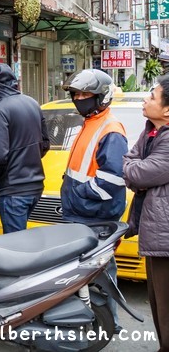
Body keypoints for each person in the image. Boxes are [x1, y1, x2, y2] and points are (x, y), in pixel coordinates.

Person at [60, 68, 128, 331]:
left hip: (95, 217)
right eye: (76, 94)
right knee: (82, 274)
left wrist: (79, 194)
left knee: (100, 274)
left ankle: (110, 324)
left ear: (102, 97)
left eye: (85, 93)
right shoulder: (90, 123)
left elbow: (111, 180)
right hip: (81, 214)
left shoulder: (110, 129)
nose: (79, 98)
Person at [123, 75, 169, 352]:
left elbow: (139, 171)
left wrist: (133, 169)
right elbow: (131, 161)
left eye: (152, 96)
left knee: (166, 306)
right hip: (156, 233)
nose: (145, 99)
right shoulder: (151, 131)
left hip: (165, 238)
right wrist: (134, 168)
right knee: (158, 304)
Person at [0, 63, 49, 234]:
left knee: (15, 246)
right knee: (22, 240)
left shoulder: (0, 110)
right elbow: (45, 143)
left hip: (13, 189)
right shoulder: (32, 103)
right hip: (35, 185)